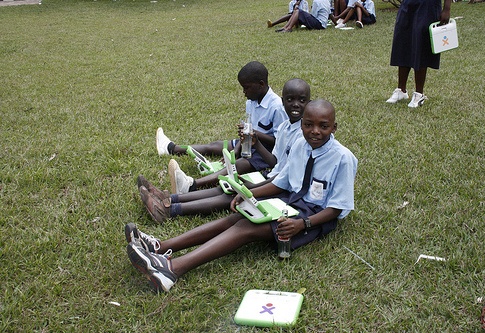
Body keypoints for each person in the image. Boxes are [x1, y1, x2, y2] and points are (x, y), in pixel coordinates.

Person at [125, 99, 358, 292]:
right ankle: (160, 247)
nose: (314, 131)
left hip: (314, 217)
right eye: (308, 125)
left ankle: (171, 270)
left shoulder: (343, 158)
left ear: (334, 128)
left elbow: (336, 209)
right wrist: (248, 194)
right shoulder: (300, 144)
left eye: (323, 126)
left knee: (244, 229)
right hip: (291, 202)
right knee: (233, 219)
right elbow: (282, 182)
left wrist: (302, 224)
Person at [137, 79, 311, 222]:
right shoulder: (285, 127)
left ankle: (169, 210)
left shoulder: (304, 136)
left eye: (301, 100)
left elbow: (286, 179)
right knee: (226, 187)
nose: (295, 105)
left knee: (231, 194)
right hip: (272, 177)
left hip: (280, 186)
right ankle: (169, 198)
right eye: (290, 100)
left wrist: (256, 187)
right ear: (283, 101)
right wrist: (256, 143)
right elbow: (276, 163)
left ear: (308, 103)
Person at [156, 61, 287, 158]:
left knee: (238, 163)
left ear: (261, 84)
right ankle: (172, 148)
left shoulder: (276, 107)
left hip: (266, 151)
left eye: (246, 88)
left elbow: (280, 142)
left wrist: (254, 134)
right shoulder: (251, 102)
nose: (244, 92)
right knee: (213, 146)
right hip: (249, 144)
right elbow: (247, 134)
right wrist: (236, 149)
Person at [386, 0, 452, 108]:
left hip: (428, 5)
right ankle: (401, 90)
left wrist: (447, 9)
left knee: (421, 43)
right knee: (403, 41)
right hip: (408, 4)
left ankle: (419, 94)